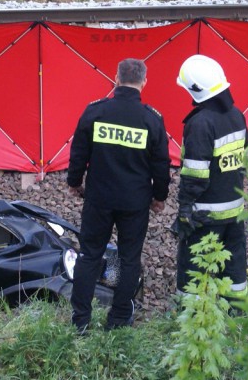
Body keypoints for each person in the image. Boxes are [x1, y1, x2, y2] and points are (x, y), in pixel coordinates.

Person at [66, 58, 171, 334]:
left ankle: (80, 320)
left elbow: (78, 153)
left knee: (90, 255)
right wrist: (160, 196)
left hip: (99, 199)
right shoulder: (151, 119)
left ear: (116, 78)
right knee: (128, 259)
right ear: (144, 82)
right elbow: (161, 164)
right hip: (134, 203)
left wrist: (74, 183)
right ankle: (120, 318)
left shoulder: (95, 112)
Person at [174, 54, 248, 302]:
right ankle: (237, 311)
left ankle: (192, 315)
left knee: (195, 263)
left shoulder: (200, 123)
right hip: (235, 209)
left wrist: (185, 208)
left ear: (195, 91)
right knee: (234, 261)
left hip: (206, 214)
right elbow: (244, 159)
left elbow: (195, 174)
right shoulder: (237, 115)